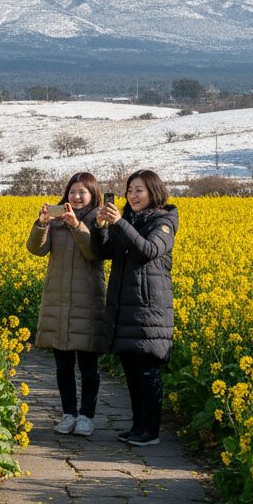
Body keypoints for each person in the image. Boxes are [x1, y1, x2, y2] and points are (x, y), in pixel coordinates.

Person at [94, 169, 178, 447]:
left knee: (146, 370)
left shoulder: (164, 222)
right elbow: (105, 253)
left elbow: (148, 249)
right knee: (131, 369)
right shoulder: (128, 219)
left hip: (149, 308)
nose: (132, 195)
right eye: (130, 190)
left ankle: (150, 430)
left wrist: (120, 224)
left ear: (153, 192)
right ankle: (137, 426)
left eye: (139, 190)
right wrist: (102, 227)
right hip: (125, 305)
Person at [26, 172, 107, 436]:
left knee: (88, 365)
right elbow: (36, 249)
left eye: (83, 192)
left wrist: (76, 225)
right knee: (62, 365)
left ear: (93, 194)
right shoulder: (57, 221)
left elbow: (95, 251)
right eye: (72, 191)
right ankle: (68, 413)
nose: (76, 196)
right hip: (58, 301)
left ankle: (87, 415)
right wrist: (42, 225)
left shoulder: (100, 220)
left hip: (88, 302)